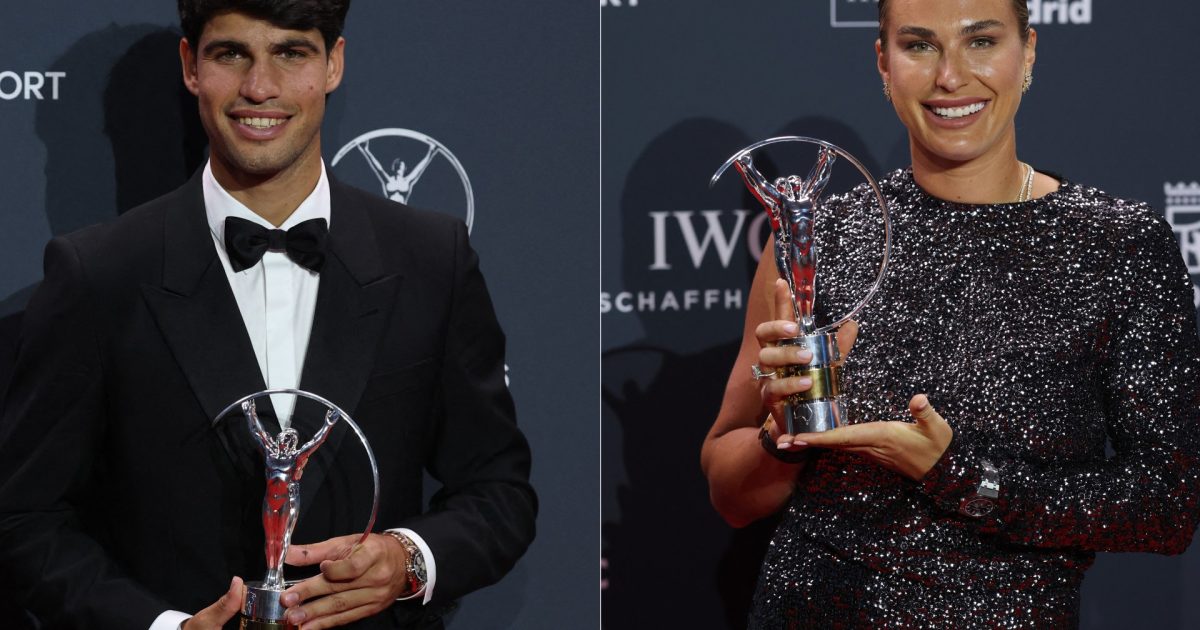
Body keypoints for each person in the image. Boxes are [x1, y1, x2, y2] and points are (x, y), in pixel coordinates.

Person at [0, 1, 536, 629]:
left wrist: (408, 559)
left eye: (291, 52)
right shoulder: (100, 274)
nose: (259, 87)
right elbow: (25, 519)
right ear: (190, 66)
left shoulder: (430, 259)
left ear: (333, 63)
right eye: (231, 54)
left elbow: (499, 492)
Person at [700, 0, 1200, 626]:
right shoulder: (818, 240)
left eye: (981, 41)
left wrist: (958, 474)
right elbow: (732, 497)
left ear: (1029, 52)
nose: (950, 77)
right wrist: (784, 433)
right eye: (919, 46)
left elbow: (1166, 509)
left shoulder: (1120, 246)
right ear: (883, 63)